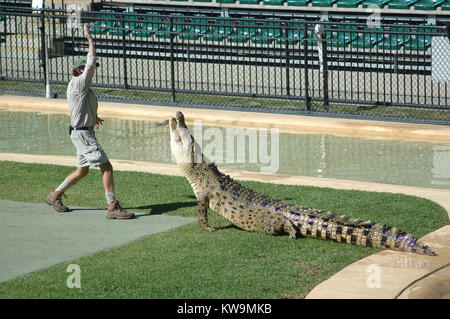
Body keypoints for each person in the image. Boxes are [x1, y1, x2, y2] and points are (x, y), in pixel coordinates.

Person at [45, 23, 134, 220]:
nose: (90, 71)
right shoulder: (78, 83)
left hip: (82, 131)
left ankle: (54, 195)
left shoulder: (82, 87)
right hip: (82, 134)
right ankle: (112, 206)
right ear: (78, 71)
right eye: (84, 69)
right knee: (107, 167)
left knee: (83, 170)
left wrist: (94, 118)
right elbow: (91, 62)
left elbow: (83, 106)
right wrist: (90, 41)